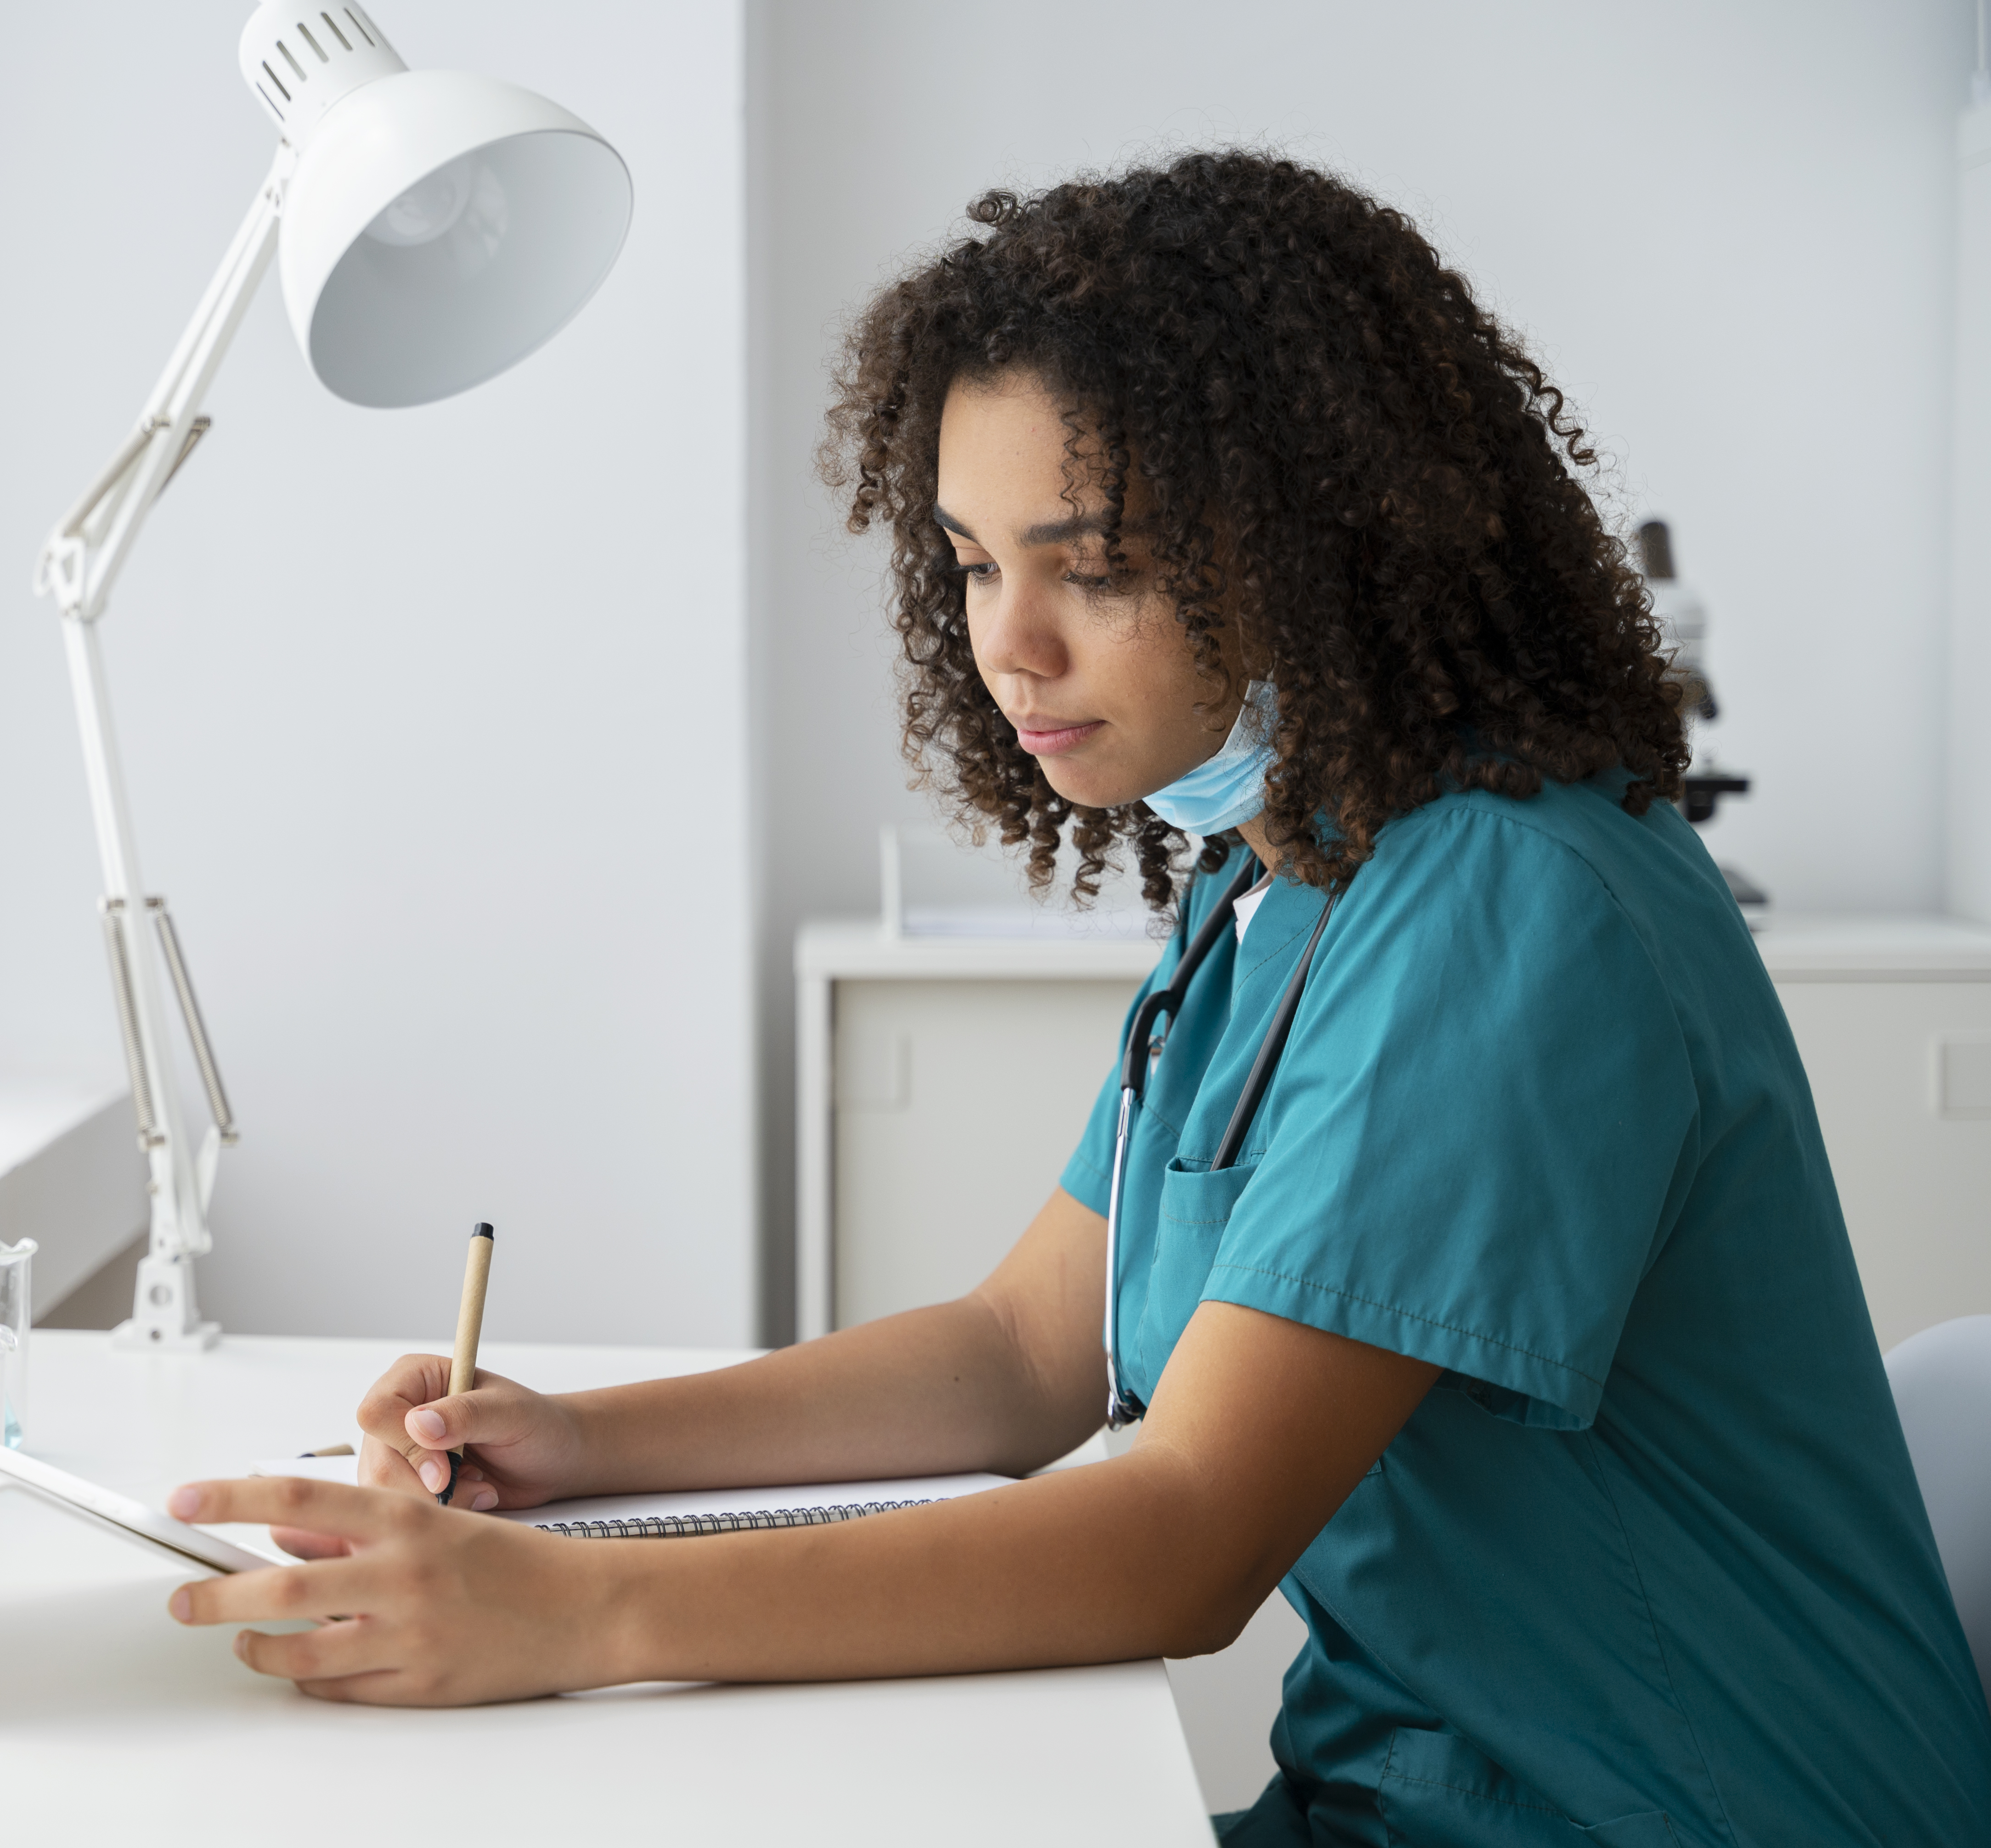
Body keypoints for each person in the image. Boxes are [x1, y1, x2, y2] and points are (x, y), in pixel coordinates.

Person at [161, 152, 1991, 1844]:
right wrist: (583, 1446)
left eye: (1093, 567)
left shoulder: (1516, 912)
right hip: (1434, 1788)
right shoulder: (1285, 877)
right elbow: (1033, 1347)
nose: (1008, 644)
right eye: (970, 564)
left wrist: (571, 1609)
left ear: (1326, 542)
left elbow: (1185, 1533)